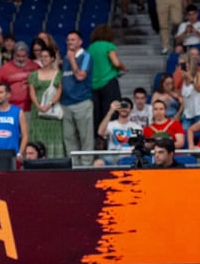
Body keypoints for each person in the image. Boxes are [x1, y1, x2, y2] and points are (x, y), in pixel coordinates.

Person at [60, 30, 95, 165]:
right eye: (68, 40)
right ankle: (73, 165)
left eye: (73, 40)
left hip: (82, 101)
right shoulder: (65, 58)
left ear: (80, 42)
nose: (70, 42)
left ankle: (86, 165)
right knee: (69, 137)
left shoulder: (86, 56)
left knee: (85, 137)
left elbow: (80, 76)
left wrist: (72, 60)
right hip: (66, 103)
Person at [87, 25, 127, 131]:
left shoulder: (90, 48)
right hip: (109, 82)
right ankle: (110, 134)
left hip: (94, 84)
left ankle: (98, 135)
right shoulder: (109, 46)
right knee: (112, 110)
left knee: (97, 112)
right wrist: (124, 68)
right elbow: (116, 62)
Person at [28, 44, 65, 158]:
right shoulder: (34, 74)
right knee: (38, 136)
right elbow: (32, 92)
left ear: (52, 58)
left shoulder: (58, 74)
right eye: (41, 57)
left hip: (52, 109)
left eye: (46, 56)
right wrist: (38, 105)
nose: (43, 59)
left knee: (54, 136)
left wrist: (50, 104)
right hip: (37, 110)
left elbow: (59, 91)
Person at [0, 82, 27, 156]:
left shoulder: (18, 112)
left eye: (0, 92)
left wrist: (20, 154)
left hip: (12, 154)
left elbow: (25, 136)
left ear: (8, 95)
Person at [0, 41, 37, 112]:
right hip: (10, 108)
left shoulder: (35, 67)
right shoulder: (5, 68)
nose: (21, 59)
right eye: (18, 56)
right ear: (13, 55)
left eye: (24, 56)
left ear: (27, 55)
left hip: (30, 108)